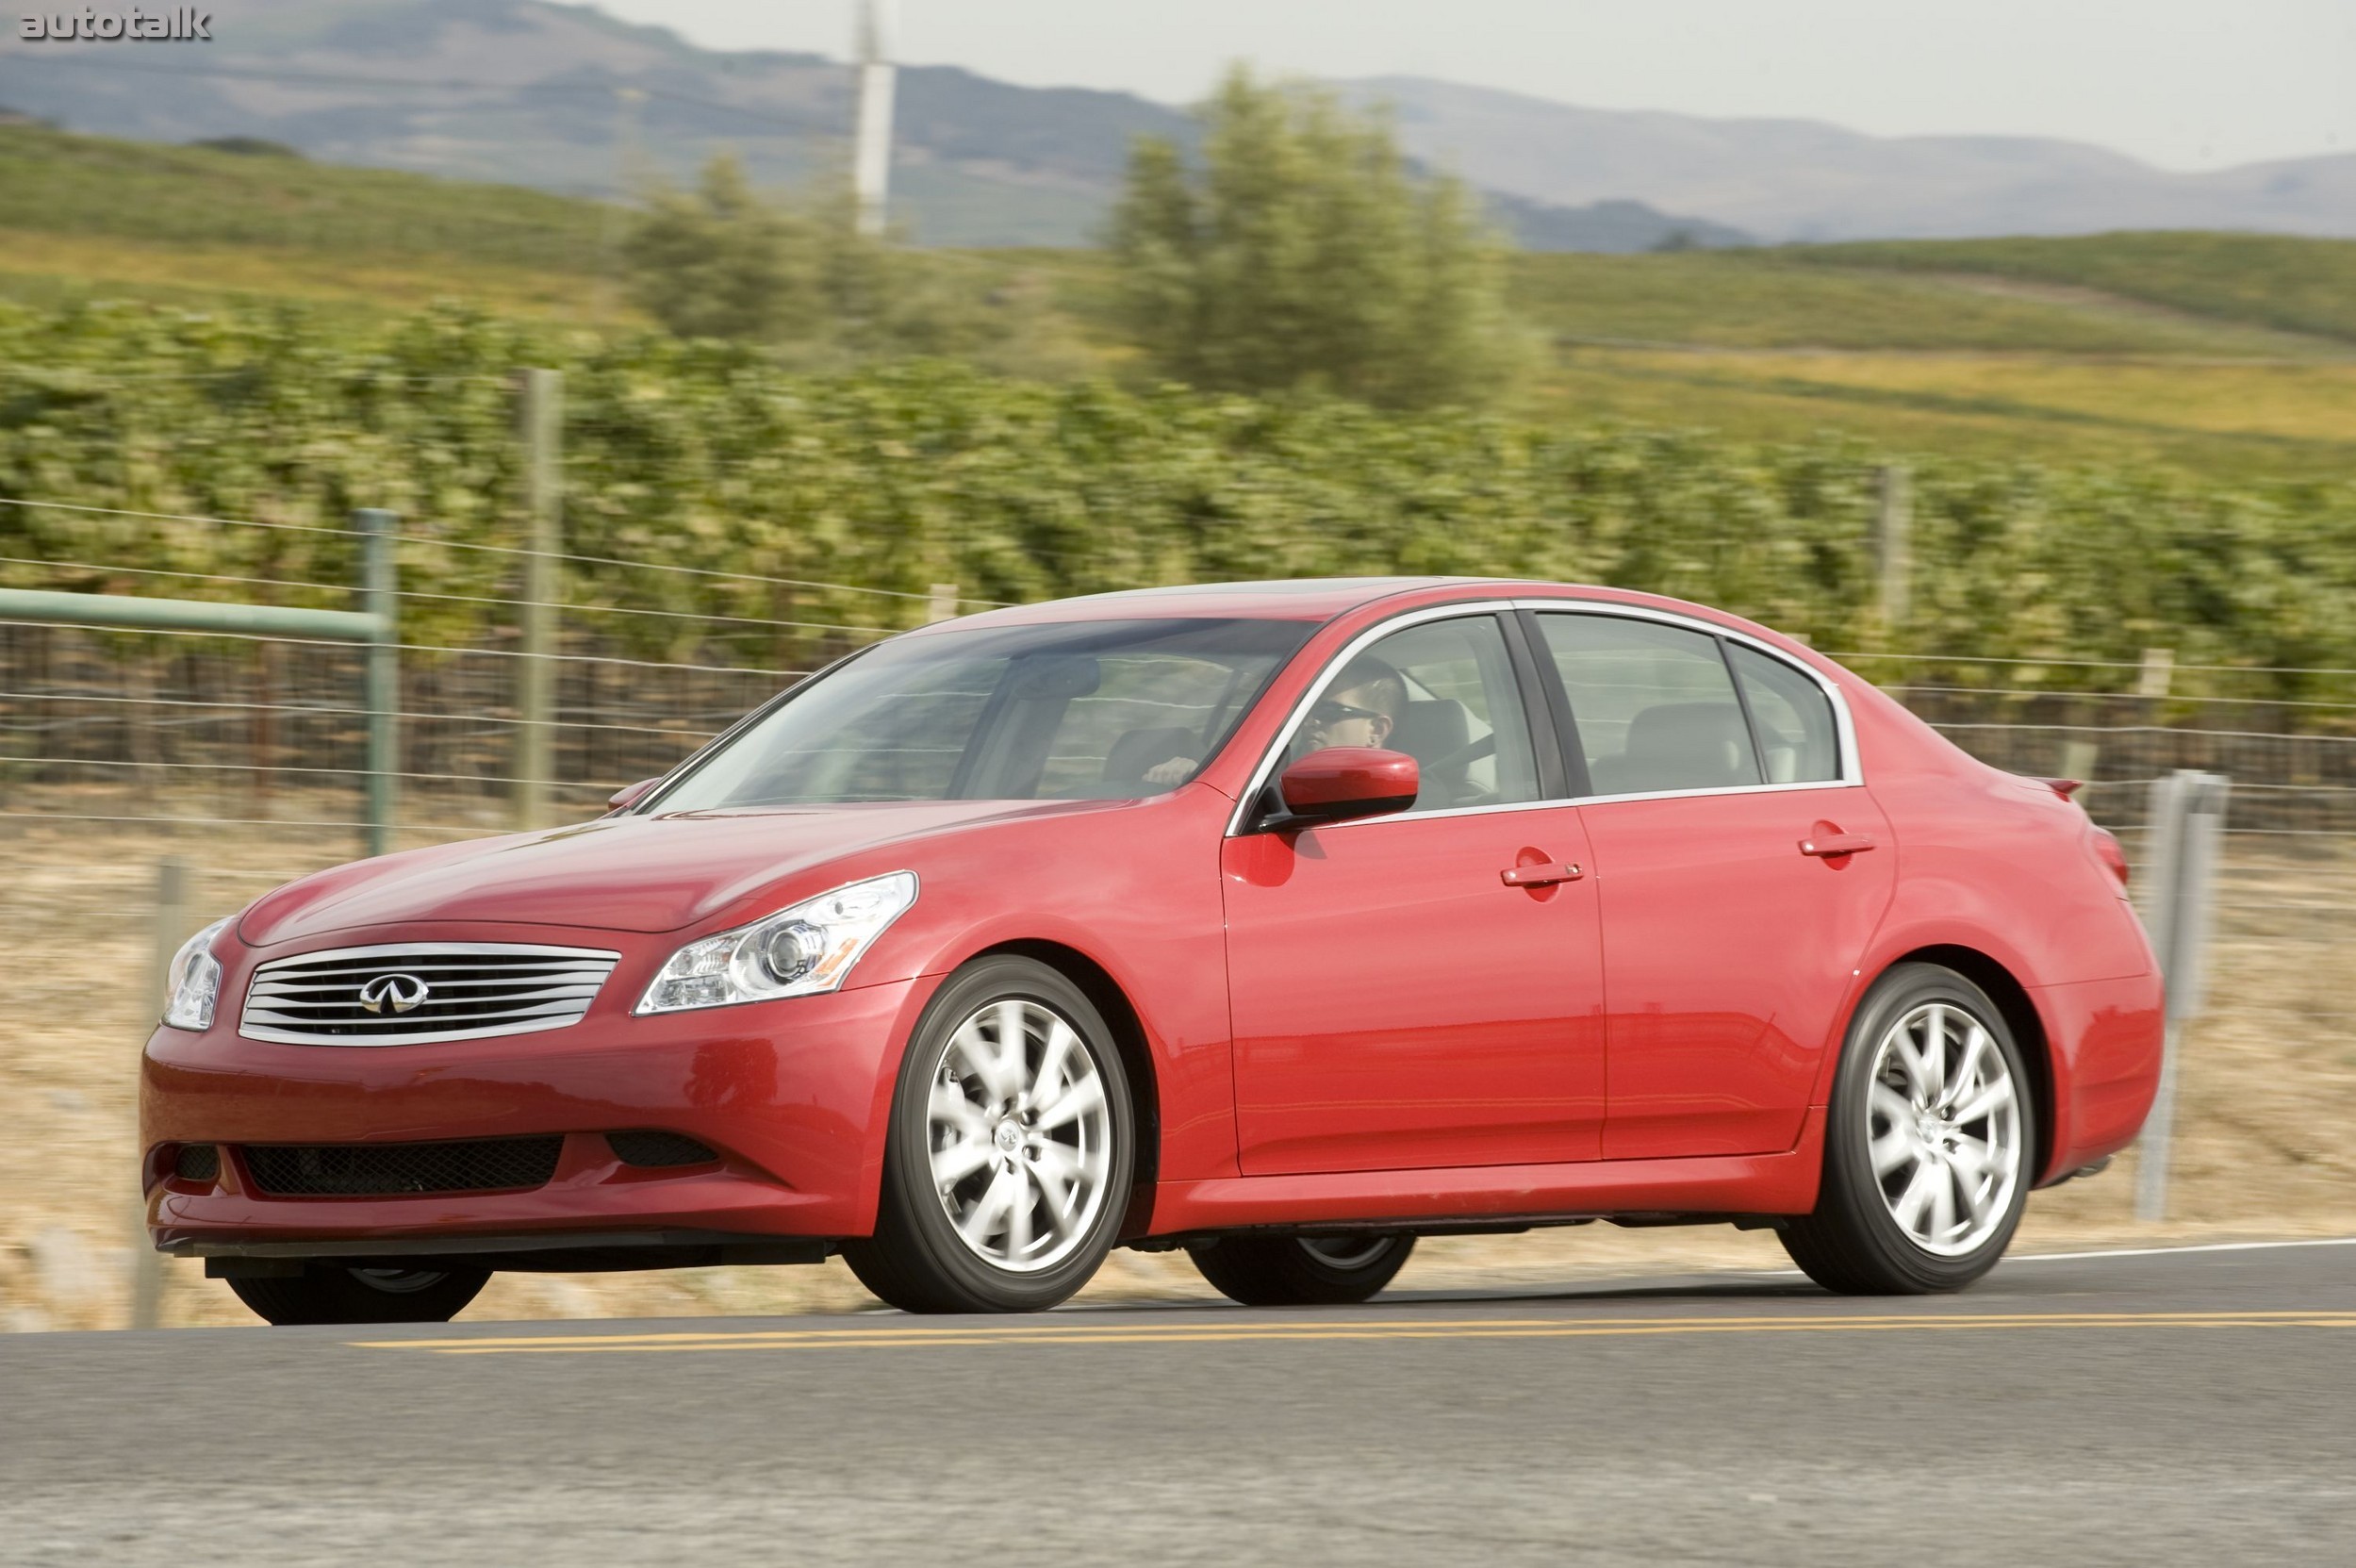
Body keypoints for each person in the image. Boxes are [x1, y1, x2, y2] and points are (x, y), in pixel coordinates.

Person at [1141, 656, 1409, 787]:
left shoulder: (1413, 798)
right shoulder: (1278, 777)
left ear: (1376, 730)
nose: (1310, 722)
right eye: (1306, 710)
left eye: (1328, 711)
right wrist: (1195, 780)